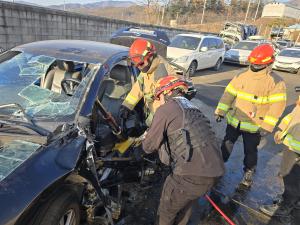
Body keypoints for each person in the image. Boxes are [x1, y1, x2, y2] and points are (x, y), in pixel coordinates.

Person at [142, 75, 225, 225]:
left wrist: (147, 136)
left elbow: (148, 147)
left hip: (191, 175)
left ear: (166, 93)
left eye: (157, 97)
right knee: (186, 203)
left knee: (167, 210)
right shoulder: (192, 107)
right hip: (215, 170)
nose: (157, 101)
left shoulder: (166, 109)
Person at [215, 44, 287, 188]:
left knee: (250, 151)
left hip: (254, 126)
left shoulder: (275, 82)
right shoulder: (241, 75)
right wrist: (220, 111)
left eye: (257, 63)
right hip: (234, 121)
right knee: (226, 145)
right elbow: (228, 94)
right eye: (252, 62)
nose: (254, 65)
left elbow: (276, 107)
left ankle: (248, 173)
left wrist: (267, 126)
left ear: (268, 63)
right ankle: (218, 167)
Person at [259, 96, 300, 220]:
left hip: (295, 145)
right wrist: (282, 129)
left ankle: (286, 206)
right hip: (294, 141)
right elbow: (295, 113)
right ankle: (295, 201)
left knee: (290, 175)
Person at [119, 38, 176, 126]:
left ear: (150, 56)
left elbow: (161, 109)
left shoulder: (161, 74)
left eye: (141, 64)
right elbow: (139, 87)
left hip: (160, 118)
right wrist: (127, 106)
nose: (139, 68)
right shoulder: (148, 67)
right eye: (136, 65)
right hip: (150, 111)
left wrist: (148, 125)